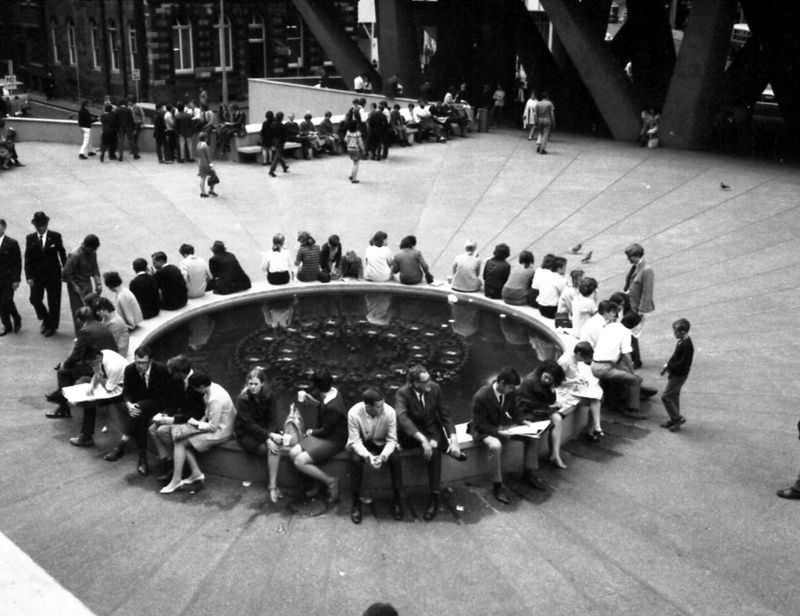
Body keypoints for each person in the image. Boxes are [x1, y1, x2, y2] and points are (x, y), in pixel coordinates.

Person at [395, 365, 464, 521]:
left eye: (429, 380)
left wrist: (454, 440)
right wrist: (423, 441)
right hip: (412, 434)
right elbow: (404, 420)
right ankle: (444, 448)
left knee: (434, 449)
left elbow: (445, 414)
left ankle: (434, 496)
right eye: (424, 382)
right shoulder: (402, 393)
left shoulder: (435, 388)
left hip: (431, 430)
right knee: (433, 446)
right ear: (414, 383)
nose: (429, 384)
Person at [470, 367, 547, 504]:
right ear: (501, 383)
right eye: (510, 387)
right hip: (484, 430)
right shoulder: (481, 396)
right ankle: (497, 485)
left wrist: (522, 421)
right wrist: (498, 432)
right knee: (496, 446)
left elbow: (514, 410)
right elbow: (479, 423)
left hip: (502, 425)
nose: (512, 390)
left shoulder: (510, 392)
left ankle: (529, 473)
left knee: (532, 436)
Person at [103, 344, 176, 475]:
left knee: (139, 410)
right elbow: (126, 392)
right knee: (139, 415)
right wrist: (129, 404)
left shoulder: (162, 370)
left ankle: (123, 445)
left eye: (144, 363)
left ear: (151, 361)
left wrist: (166, 412)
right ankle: (142, 458)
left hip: (158, 402)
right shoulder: (130, 370)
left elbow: (170, 393)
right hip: (139, 405)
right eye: (138, 362)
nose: (140, 366)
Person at [160, 371, 236, 494]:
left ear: (201, 387)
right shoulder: (212, 388)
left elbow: (212, 427)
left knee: (180, 442)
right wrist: (194, 425)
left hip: (221, 432)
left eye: (195, 388)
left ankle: (176, 480)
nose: (194, 391)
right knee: (181, 439)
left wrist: (194, 426)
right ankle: (195, 473)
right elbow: (208, 414)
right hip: (215, 426)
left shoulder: (215, 399)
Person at [288, 369, 348, 505]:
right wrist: (312, 401)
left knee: (299, 461)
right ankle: (316, 483)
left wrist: (311, 432)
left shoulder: (334, 407)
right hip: (326, 435)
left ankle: (330, 481)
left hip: (333, 440)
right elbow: (322, 406)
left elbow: (326, 430)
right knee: (292, 452)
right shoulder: (333, 392)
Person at [45, 306, 117, 418]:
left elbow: (76, 354)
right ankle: (59, 396)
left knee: (63, 372)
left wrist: (65, 364)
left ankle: (63, 406)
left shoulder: (85, 331)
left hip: (100, 365)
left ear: (79, 320)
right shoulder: (101, 326)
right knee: (71, 369)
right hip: (108, 360)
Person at [346, 388, 403, 524]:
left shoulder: (390, 412)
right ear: (368, 406)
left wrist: (383, 456)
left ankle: (397, 500)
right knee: (355, 461)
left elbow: (391, 439)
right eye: (379, 406)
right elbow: (355, 440)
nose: (382, 408)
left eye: (383, 404)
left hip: (381, 442)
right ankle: (356, 503)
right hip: (362, 442)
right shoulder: (354, 413)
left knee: (396, 458)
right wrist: (368, 457)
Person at [149, 354, 206, 478]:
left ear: (179, 373)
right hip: (182, 415)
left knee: (163, 431)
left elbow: (195, 414)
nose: (170, 375)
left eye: (172, 373)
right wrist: (166, 414)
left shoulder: (197, 382)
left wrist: (171, 420)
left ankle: (178, 464)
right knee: (152, 429)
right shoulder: (179, 381)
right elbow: (174, 400)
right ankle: (167, 459)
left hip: (195, 420)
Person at [232, 367, 282, 502]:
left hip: (264, 429)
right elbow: (248, 424)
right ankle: (273, 486)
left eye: (256, 384)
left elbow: (273, 418)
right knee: (269, 449)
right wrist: (267, 438)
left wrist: (271, 434)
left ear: (262, 384)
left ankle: (272, 485)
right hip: (247, 432)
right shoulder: (243, 399)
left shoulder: (269, 395)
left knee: (275, 446)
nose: (253, 387)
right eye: (250, 384)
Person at [589, 301, 644, 419]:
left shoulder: (610, 326)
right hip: (604, 368)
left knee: (624, 373)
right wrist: (632, 371)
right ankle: (632, 409)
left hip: (595, 364)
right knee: (634, 380)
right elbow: (627, 356)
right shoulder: (625, 333)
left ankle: (619, 398)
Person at [67, 345, 128, 448]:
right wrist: (91, 387)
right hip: (112, 382)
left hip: (123, 390)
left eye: (91, 363)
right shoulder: (103, 353)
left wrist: (98, 380)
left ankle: (86, 437)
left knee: (89, 402)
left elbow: (109, 388)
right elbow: (97, 374)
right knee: (84, 382)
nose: (91, 366)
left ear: (97, 358)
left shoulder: (113, 366)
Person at [518, 360, 568, 469]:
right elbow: (526, 404)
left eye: (550, 379)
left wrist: (552, 390)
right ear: (542, 372)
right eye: (546, 377)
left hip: (539, 409)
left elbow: (550, 401)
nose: (547, 380)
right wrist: (549, 408)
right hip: (528, 412)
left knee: (557, 419)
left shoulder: (547, 384)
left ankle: (555, 454)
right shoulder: (529, 382)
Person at [23, 211, 66, 337]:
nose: (41, 228)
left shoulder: (55, 236)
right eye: (38, 226)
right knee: (34, 299)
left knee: (54, 301)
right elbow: (28, 259)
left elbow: (62, 254)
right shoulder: (30, 238)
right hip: (37, 275)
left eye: (43, 225)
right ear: (35, 226)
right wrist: (29, 276)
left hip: (53, 274)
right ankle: (46, 319)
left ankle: (52, 326)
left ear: (46, 224)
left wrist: (66, 270)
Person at [558, 341, 604, 440]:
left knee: (596, 398)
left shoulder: (574, 359)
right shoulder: (564, 362)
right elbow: (557, 382)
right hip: (565, 391)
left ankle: (595, 428)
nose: (584, 360)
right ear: (579, 354)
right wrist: (574, 381)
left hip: (574, 388)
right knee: (595, 400)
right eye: (584, 357)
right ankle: (594, 428)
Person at [62, 234, 102, 335]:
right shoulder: (75, 255)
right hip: (76, 286)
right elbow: (66, 274)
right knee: (79, 311)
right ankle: (80, 335)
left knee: (91, 307)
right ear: (86, 246)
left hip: (87, 283)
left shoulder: (92, 253)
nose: (94, 251)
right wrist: (75, 287)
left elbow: (95, 268)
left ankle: (90, 331)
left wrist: (98, 283)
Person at [623, 243, 654, 369]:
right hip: (630, 304)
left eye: (629, 256)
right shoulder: (636, 267)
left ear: (636, 256)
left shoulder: (646, 270)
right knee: (628, 333)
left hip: (637, 308)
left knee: (632, 334)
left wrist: (641, 311)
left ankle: (636, 360)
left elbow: (647, 292)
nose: (628, 259)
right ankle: (633, 359)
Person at [660, 318, 694, 431]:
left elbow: (682, 363)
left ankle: (677, 418)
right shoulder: (681, 342)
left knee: (666, 396)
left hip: (679, 375)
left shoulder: (687, 345)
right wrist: (667, 365)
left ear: (683, 332)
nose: (674, 334)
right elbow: (675, 356)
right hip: (676, 374)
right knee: (674, 396)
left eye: (676, 332)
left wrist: (670, 366)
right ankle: (674, 419)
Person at [0, 218, 22, 335]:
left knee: (5, 302)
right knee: (4, 303)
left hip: (8, 278)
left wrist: (16, 279)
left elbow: (17, 263)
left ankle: (12, 321)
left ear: (4, 228)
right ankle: (10, 322)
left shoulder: (12, 243)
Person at [268, 111, 290, 178]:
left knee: (278, 155)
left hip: (274, 141)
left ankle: (284, 166)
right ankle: (271, 170)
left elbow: (270, 134)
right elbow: (285, 135)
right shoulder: (282, 126)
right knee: (277, 156)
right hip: (280, 142)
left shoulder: (272, 125)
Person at [196, 132, 216, 198]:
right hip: (206, 164)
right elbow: (209, 157)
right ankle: (211, 190)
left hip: (200, 163)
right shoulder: (206, 146)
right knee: (213, 176)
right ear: (206, 139)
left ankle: (202, 192)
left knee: (202, 178)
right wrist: (212, 166)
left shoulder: (198, 145)